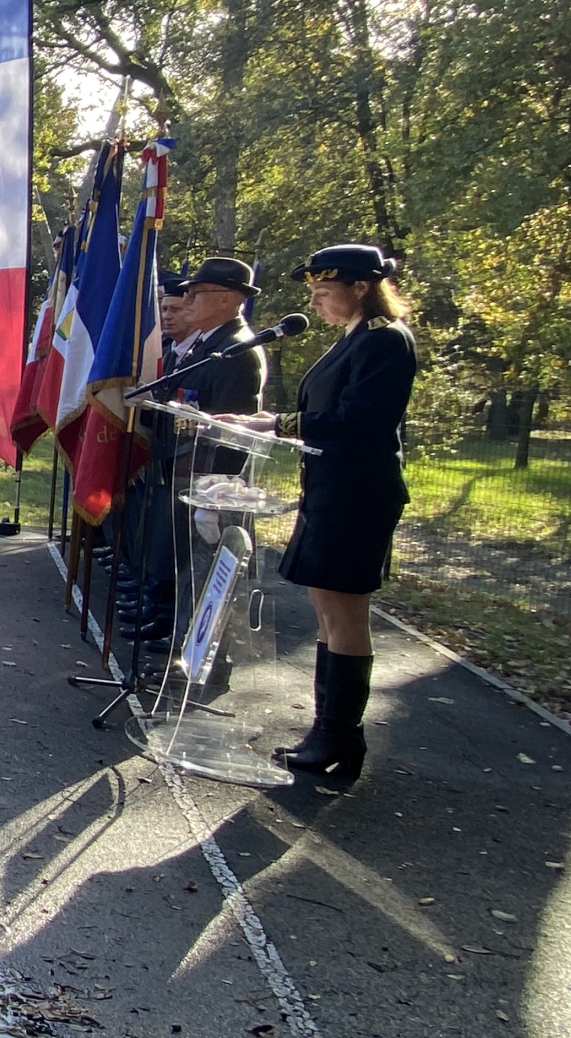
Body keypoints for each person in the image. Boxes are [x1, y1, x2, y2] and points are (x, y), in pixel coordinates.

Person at [222, 245, 416, 785]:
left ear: (360, 287)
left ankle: (341, 734)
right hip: (331, 489)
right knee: (327, 611)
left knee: (344, 613)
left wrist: (280, 425)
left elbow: (360, 419)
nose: (316, 301)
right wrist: (275, 421)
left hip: (359, 495)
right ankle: (326, 731)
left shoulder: (386, 342)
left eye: (323, 292)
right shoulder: (355, 339)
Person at [117, 257, 267, 646]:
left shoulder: (238, 350)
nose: (189, 300)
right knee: (178, 558)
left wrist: (215, 497)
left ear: (227, 299)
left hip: (208, 479)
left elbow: (230, 429)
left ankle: (192, 641)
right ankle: (176, 630)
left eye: (198, 293)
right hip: (182, 467)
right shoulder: (210, 345)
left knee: (201, 567)